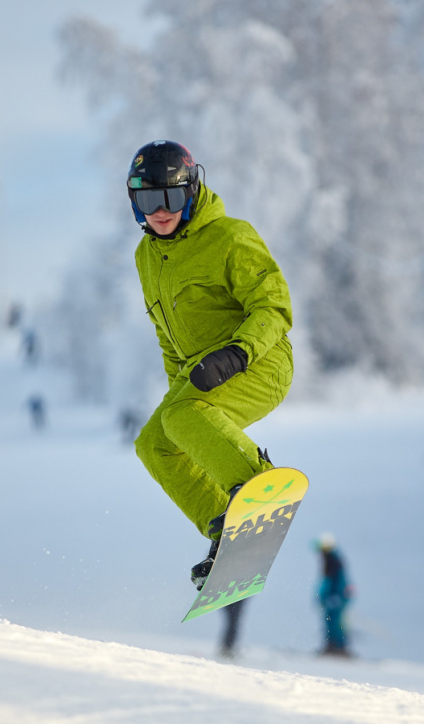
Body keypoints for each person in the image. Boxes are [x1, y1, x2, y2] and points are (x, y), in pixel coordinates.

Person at [128, 141, 293, 590]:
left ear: (191, 191)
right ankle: (227, 529)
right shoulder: (147, 257)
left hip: (260, 362)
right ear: (134, 202)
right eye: (148, 201)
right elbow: (168, 336)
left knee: (183, 417)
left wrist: (236, 353)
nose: (160, 212)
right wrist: (176, 394)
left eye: (171, 199)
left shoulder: (231, 237)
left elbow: (274, 306)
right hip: (199, 372)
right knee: (155, 443)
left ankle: (257, 485)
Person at [314, 532, 354, 657]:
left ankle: (340, 647)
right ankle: (331, 646)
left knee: (336, 622)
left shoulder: (334, 561)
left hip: (337, 599)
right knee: (330, 621)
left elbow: (340, 581)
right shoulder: (329, 560)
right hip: (331, 598)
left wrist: (337, 596)